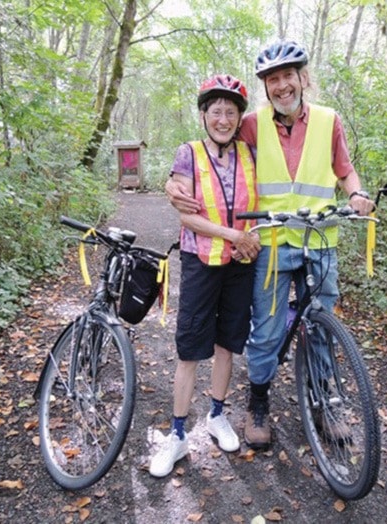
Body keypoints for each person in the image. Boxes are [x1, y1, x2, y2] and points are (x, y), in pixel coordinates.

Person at [165, 41, 374, 450]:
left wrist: (357, 194)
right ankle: (257, 403)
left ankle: (324, 403)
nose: (281, 86)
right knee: (266, 331)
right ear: (266, 87)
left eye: (287, 77)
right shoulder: (252, 124)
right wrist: (173, 184)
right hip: (272, 244)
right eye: (273, 80)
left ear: (302, 79)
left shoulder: (330, 121)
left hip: (319, 241)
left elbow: (345, 170)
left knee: (321, 331)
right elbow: (212, 144)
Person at [149, 74, 261, 478]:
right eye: (216, 111)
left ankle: (216, 414)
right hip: (201, 261)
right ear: (203, 115)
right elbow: (185, 213)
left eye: (231, 112)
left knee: (228, 342)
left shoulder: (250, 152)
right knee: (190, 347)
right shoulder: (188, 153)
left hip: (240, 265)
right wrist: (233, 234)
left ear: (239, 118)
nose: (224, 118)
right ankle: (177, 434)